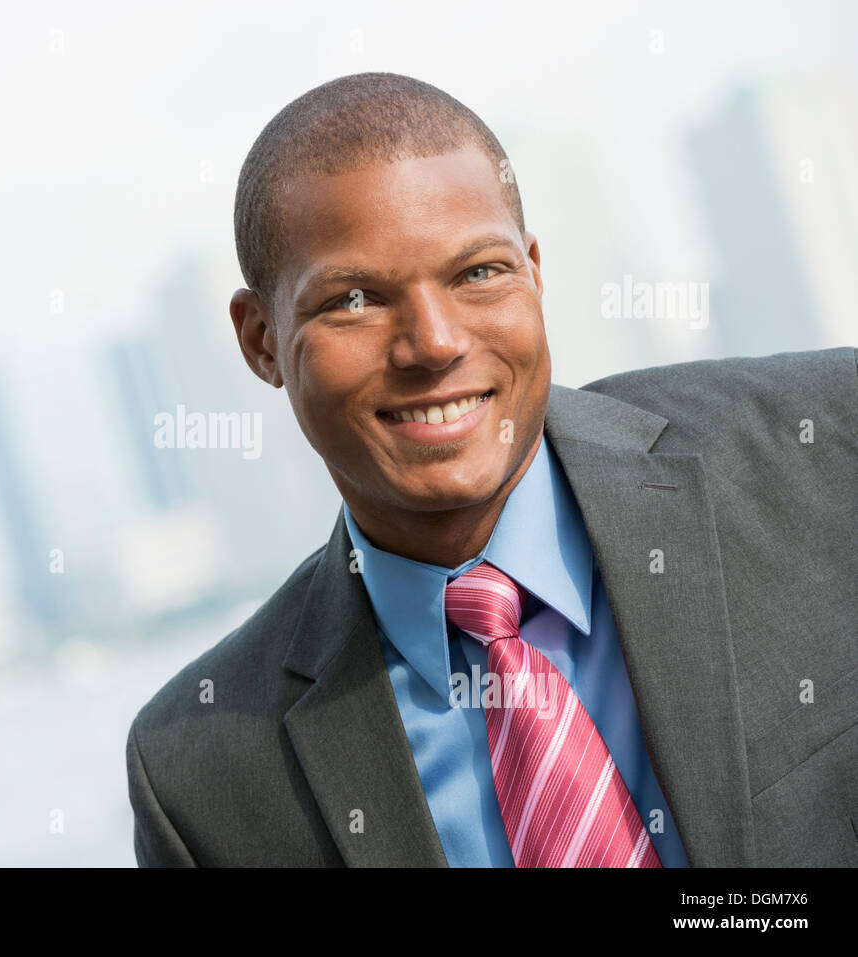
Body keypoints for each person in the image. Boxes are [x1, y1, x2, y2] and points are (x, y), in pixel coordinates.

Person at [124, 72, 858, 867]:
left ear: (534, 271)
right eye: (356, 299)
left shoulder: (824, 451)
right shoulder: (201, 774)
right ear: (261, 340)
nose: (434, 342)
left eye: (478, 273)